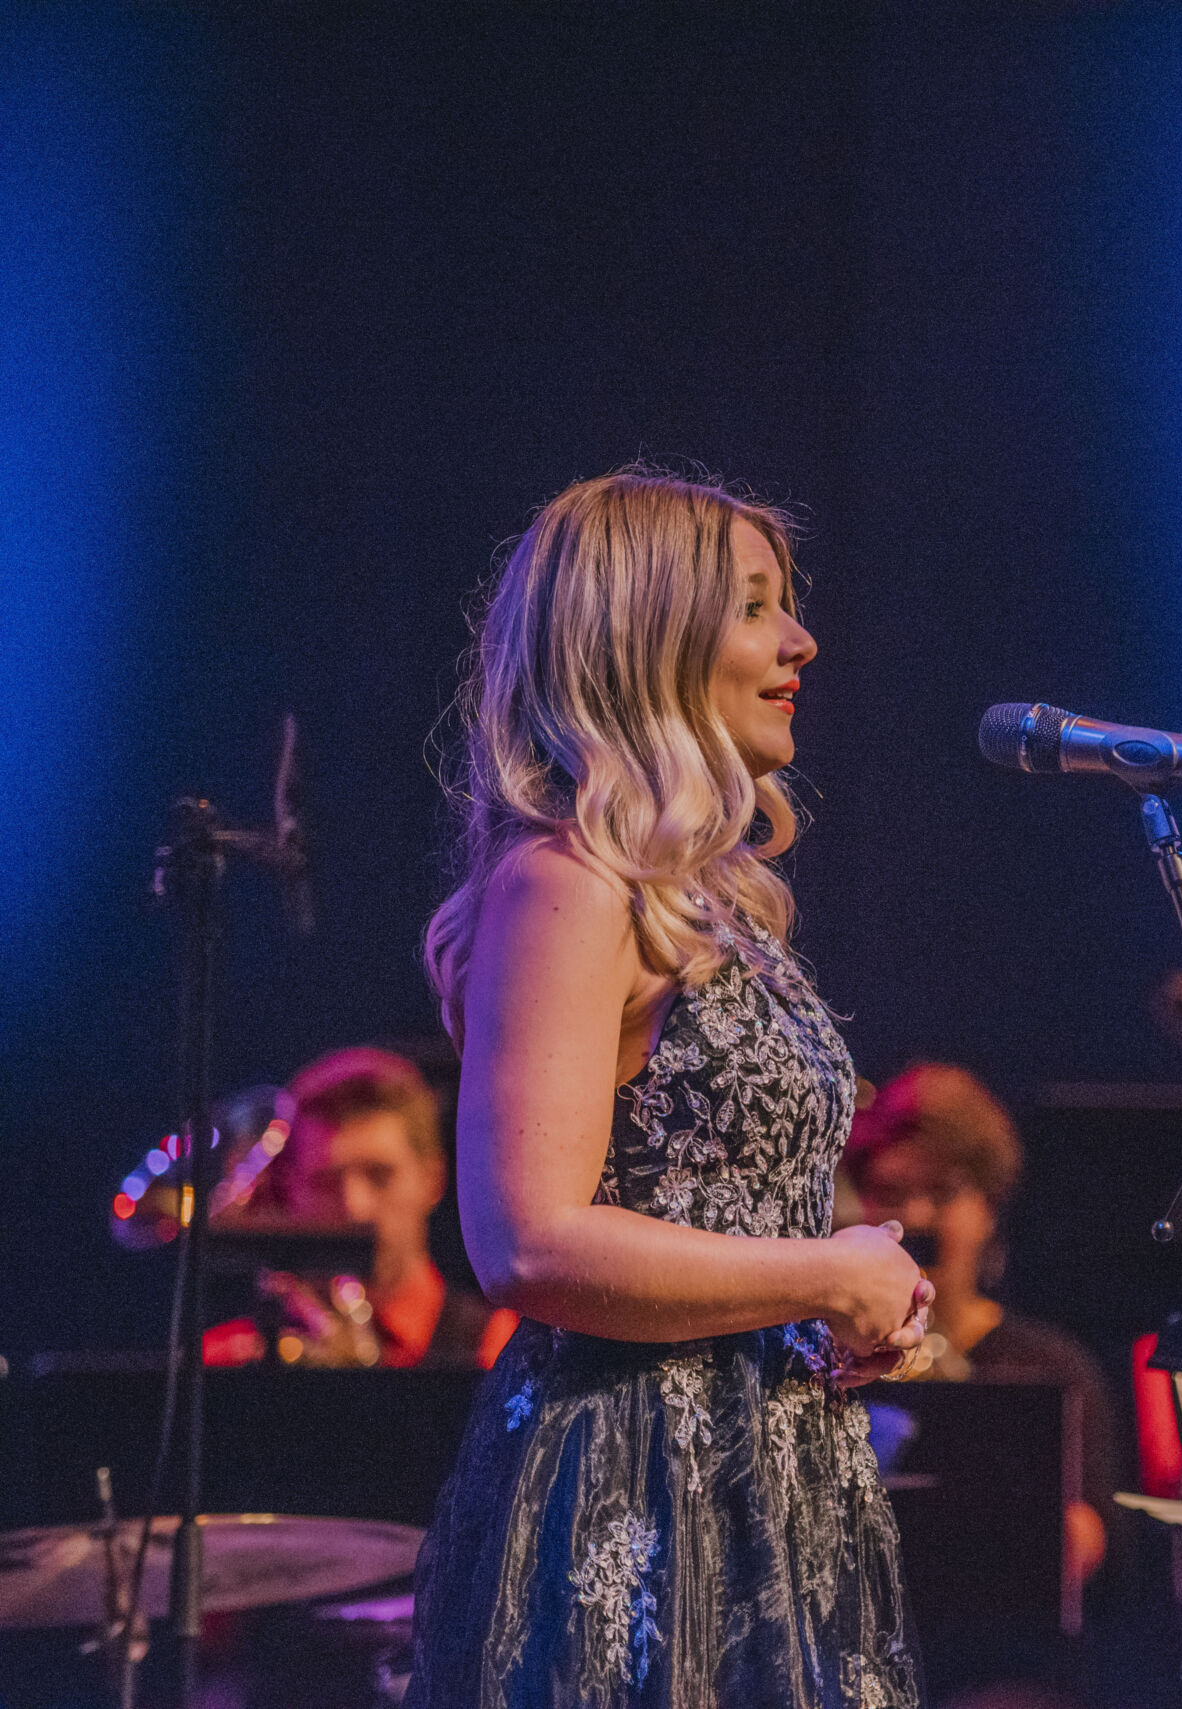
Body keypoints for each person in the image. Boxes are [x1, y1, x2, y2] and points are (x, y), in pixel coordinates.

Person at [404, 469, 934, 1707]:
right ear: (649, 637)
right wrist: (820, 1272)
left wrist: (864, 1306)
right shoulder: (567, 881)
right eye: (756, 606)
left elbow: (736, 1217)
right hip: (631, 1482)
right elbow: (526, 1240)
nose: (800, 639)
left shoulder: (710, 905)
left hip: (778, 1477)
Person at [837, 1062, 1119, 1590]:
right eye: (892, 1192)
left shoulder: (1050, 1366)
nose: (916, 1217)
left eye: (942, 1194)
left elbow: (1090, 1547)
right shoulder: (824, 1358)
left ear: (989, 1209)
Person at [208, 1046, 517, 1369]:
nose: (355, 1208)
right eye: (325, 1181)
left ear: (433, 1179)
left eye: (380, 1175)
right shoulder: (225, 1360)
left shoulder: (499, 1349)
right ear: (289, 1189)